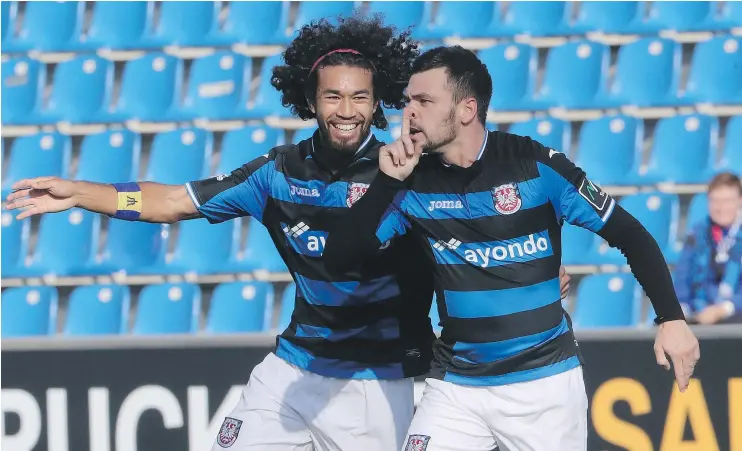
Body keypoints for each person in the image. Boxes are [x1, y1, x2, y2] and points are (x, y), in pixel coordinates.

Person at [4, 16, 572, 451]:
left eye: (359, 97)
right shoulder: (276, 173)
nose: (346, 110)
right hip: (293, 368)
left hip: (378, 380)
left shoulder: (407, 172)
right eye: (332, 96)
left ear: (378, 105)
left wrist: (534, 275)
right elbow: (172, 201)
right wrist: (82, 192)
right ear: (309, 101)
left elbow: (484, 223)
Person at [323, 45, 701, 451]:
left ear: (467, 110)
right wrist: (386, 184)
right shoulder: (409, 182)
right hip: (455, 386)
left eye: (424, 101)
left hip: (543, 386)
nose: (409, 112)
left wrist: (671, 318)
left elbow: (631, 234)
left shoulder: (535, 165)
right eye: (408, 101)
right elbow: (338, 258)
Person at [674, 171, 742, 325]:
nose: (720, 207)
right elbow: (683, 279)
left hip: (735, 314)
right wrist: (682, 310)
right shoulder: (698, 234)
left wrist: (723, 309)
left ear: (740, 201)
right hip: (699, 314)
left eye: (727, 201)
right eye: (715, 201)